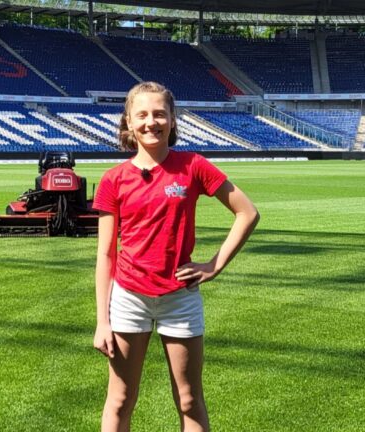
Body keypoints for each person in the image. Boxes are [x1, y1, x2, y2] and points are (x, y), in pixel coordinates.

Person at [92, 82, 259, 432]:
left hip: (180, 298)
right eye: (141, 115)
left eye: (159, 114)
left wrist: (214, 265)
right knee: (120, 400)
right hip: (128, 298)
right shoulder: (113, 180)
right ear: (128, 122)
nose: (150, 122)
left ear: (172, 119)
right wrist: (102, 322)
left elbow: (247, 213)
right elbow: (106, 255)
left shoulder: (193, 166)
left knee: (189, 400)